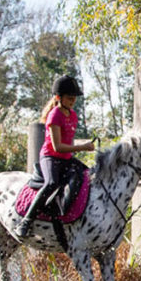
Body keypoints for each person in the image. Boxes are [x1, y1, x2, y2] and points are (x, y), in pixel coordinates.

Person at [14, 75, 96, 237]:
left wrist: (82, 146)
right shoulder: (54, 116)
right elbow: (58, 146)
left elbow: (69, 142)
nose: (73, 101)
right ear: (59, 98)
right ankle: (27, 220)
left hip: (66, 158)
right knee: (51, 183)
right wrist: (83, 147)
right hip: (51, 157)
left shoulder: (73, 115)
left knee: (86, 175)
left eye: (74, 99)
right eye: (70, 98)